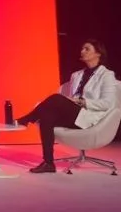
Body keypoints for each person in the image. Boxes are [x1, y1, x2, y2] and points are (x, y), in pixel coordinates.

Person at [16, 39, 117, 173]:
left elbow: (108, 103)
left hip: (88, 116)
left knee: (56, 98)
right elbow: (68, 98)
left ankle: (28, 118)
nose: (82, 51)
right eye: (82, 49)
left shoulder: (106, 75)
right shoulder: (76, 75)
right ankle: (48, 163)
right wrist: (70, 101)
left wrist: (82, 101)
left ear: (98, 53)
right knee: (47, 117)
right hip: (74, 114)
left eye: (87, 49)